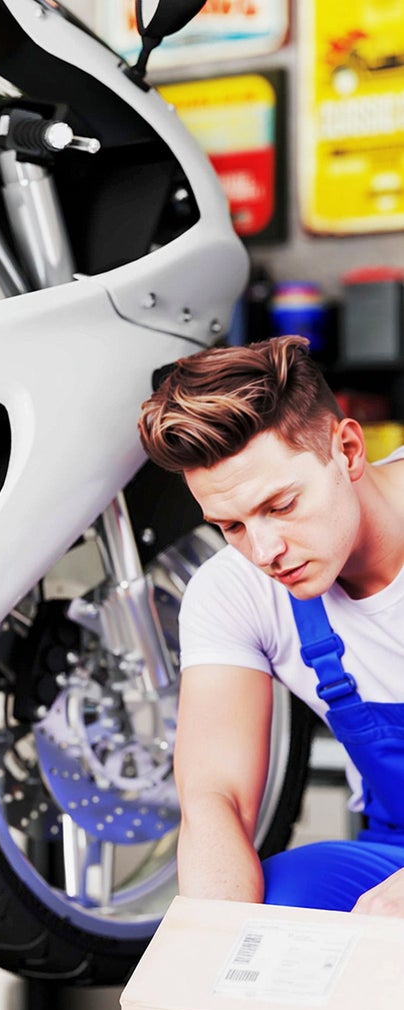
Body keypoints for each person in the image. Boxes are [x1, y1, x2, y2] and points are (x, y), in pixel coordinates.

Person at [139, 335, 404, 915]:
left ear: (348, 451)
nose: (264, 552)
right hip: (394, 849)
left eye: (281, 506)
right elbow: (218, 800)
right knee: (281, 910)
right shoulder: (233, 592)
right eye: (231, 525)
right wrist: (214, 945)